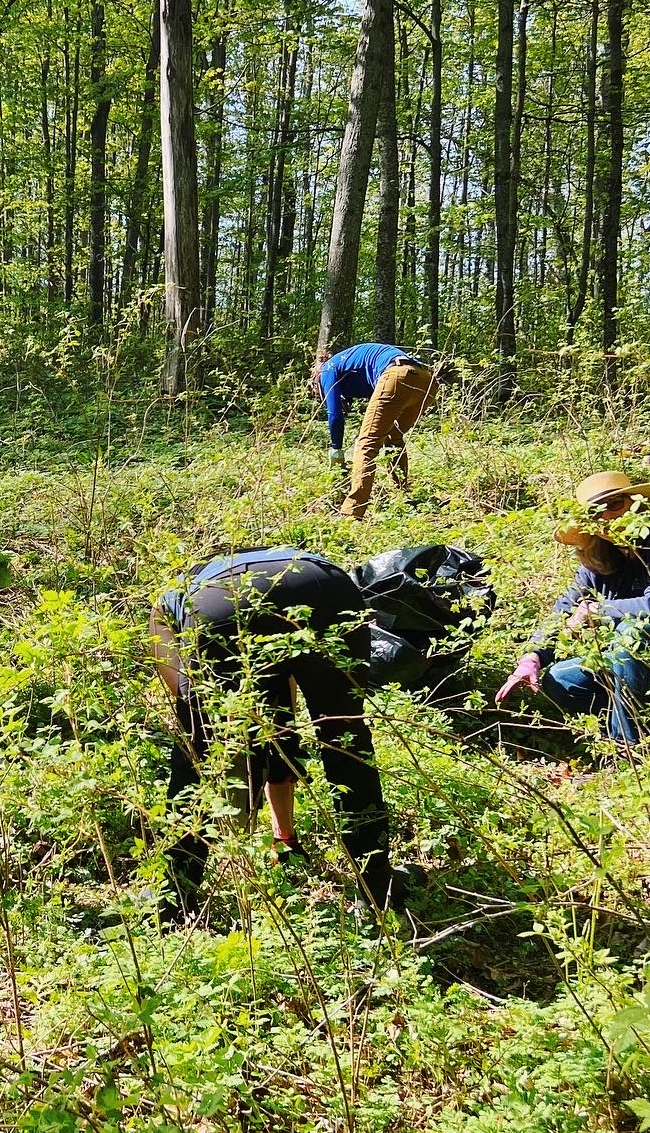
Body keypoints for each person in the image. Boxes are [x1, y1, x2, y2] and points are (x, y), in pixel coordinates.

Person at [151, 546, 395, 911]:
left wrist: (211, 730)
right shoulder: (287, 558)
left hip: (222, 607)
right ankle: (379, 889)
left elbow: (185, 690)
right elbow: (284, 713)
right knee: (348, 744)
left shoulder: (171, 601)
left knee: (198, 758)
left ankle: (172, 901)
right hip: (328, 588)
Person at [495, 471, 650, 746]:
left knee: (632, 633)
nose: (607, 517)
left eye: (615, 504)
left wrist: (598, 611)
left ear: (636, 503)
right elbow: (566, 608)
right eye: (596, 512)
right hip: (638, 670)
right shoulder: (601, 556)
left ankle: (629, 749)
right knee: (560, 680)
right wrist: (532, 656)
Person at [314, 342, 437, 520]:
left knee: (366, 444)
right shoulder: (349, 364)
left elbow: (335, 414)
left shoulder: (327, 369)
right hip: (427, 380)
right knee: (393, 437)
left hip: (397, 374)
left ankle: (352, 513)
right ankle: (401, 496)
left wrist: (336, 449)